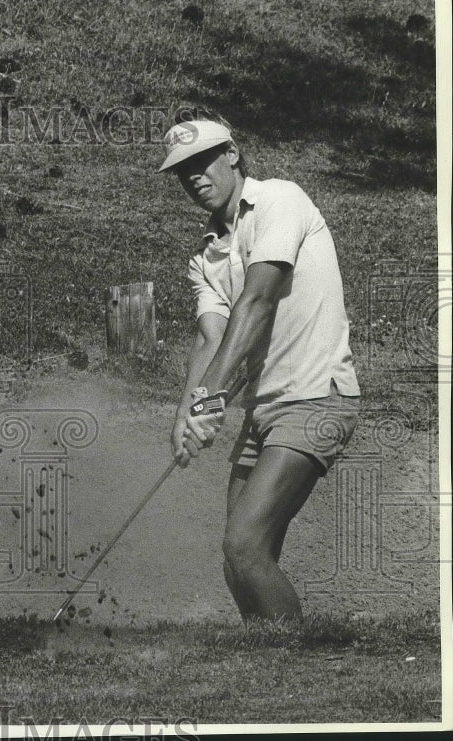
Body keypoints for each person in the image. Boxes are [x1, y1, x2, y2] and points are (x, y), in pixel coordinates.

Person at [159, 108, 360, 622]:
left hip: (316, 398)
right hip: (263, 413)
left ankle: (296, 662)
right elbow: (212, 338)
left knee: (245, 544)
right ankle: (265, 663)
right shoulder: (204, 257)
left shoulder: (279, 200)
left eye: (203, 161)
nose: (195, 177)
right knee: (239, 559)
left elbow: (258, 300)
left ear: (231, 154)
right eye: (183, 170)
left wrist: (210, 399)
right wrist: (185, 416)